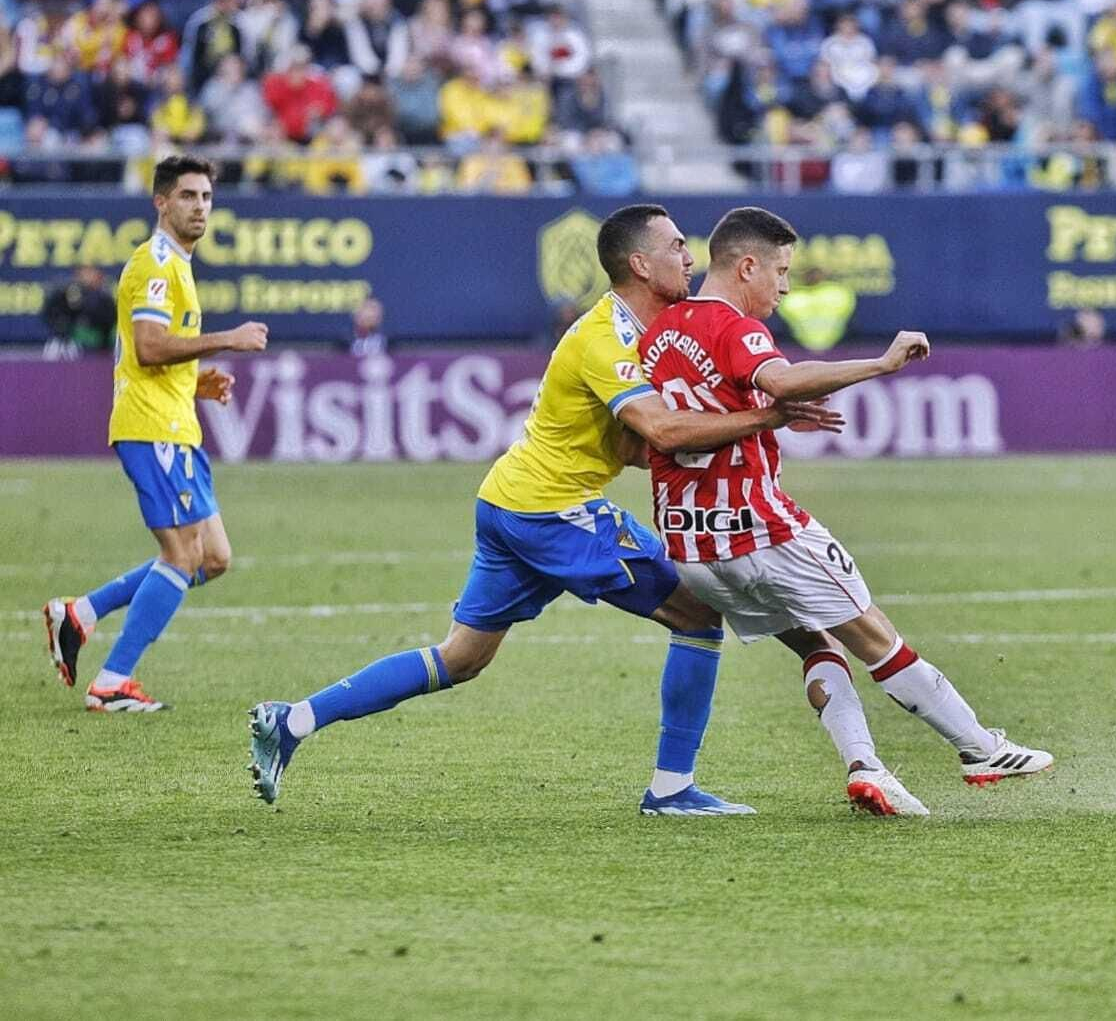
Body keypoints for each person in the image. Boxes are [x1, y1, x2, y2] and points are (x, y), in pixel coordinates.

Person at [245, 205, 840, 813]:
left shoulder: (653, 332)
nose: (690, 257)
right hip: (552, 510)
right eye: (676, 247)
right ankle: (671, 789)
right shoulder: (606, 338)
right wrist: (767, 417)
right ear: (640, 264)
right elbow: (660, 431)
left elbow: (634, 448)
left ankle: (292, 720)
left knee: (461, 658)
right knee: (698, 615)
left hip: (509, 500)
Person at [639, 207, 1054, 816]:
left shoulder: (659, 331)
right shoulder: (734, 327)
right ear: (747, 266)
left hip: (690, 548)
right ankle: (980, 748)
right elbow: (781, 381)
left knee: (815, 642)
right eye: (780, 271)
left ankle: (866, 767)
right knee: (877, 638)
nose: (784, 287)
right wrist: (881, 364)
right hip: (761, 532)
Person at [42, 155, 272, 711]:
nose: (200, 207)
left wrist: (195, 381)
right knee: (182, 554)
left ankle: (80, 613)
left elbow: (152, 354)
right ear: (161, 202)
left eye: (207, 197)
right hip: (152, 427)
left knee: (212, 556)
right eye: (188, 196)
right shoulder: (155, 262)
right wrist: (229, 339)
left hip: (175, 423)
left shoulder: (179, 265)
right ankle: (112, 681)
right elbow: (147, 347)